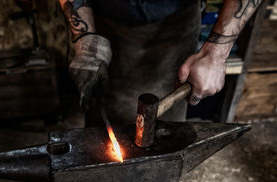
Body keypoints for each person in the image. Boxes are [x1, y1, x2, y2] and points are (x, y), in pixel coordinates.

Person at [58, 0, 264, 123]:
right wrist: (85, 36)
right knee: (107, 119)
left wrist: (216, 54)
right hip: (104, 19)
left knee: (164, 130)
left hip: (177, 21)